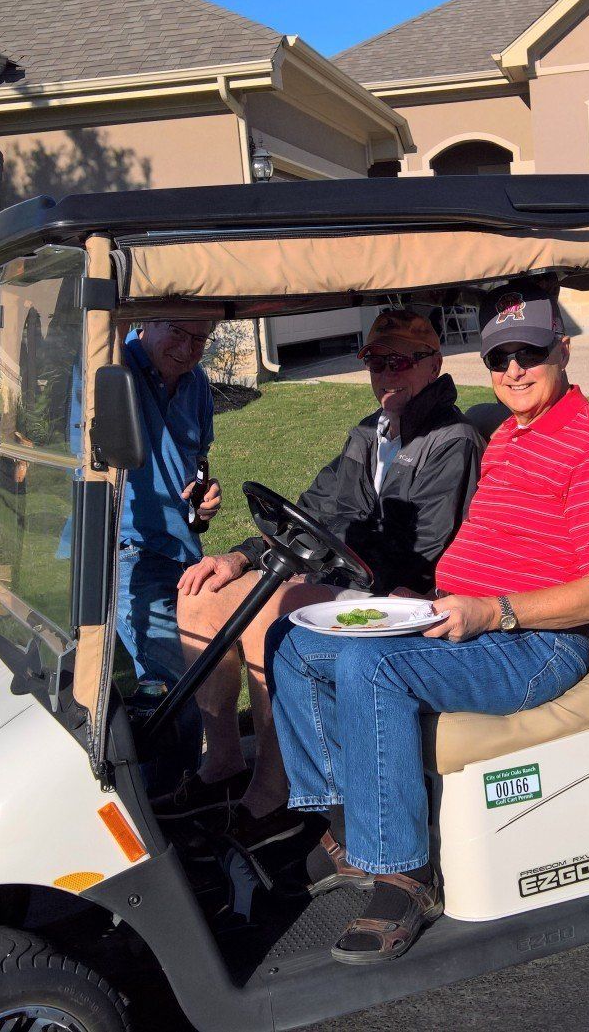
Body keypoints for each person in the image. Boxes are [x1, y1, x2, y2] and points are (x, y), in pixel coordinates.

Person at [266, 280, 589, 964]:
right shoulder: (509, 436)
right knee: (294, 644)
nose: (514, 371)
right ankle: (352, 827)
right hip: (463, 618)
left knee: (369, 662)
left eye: (530, 352)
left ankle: (405, 872)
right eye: (500, 359)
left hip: (535, 642)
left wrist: (494, 609)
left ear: (562, 349)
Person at [167, 308, 484, 839]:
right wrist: (242, 556)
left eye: (402, 361)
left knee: (276, 608)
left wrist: (320, 570)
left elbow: (415, 554)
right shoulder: (370, 432)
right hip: (355, 576)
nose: (387, 374)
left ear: (434, 364)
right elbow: (317, 507)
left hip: (408, 595)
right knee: (205, 590)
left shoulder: (451, 441)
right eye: (377, 362)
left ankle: (276, 789)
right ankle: (222, 762)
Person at [116, 319, 223, 736]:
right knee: (173, 686)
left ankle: (210, 773)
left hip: (184, 551)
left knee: (213, 670)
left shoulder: (196, 383)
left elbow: (197, 459)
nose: (188, 348)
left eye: (199, 338)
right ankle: (170, 790)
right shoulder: (110, 366)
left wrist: (206, 493)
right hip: (131, 550)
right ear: (146, 321)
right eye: (177, 332)